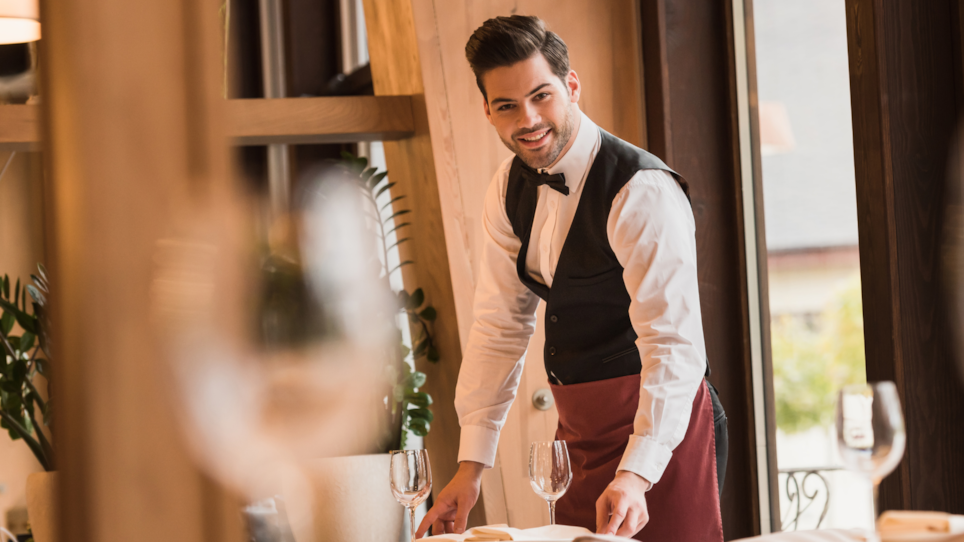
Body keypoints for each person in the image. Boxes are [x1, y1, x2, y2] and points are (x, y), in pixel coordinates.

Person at [416, 15, 726, 541]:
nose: (529, 119)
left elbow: (674, 346)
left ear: (572, 86)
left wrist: (636, 472)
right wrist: (471, 468)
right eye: (508, 105)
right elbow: (499, 326)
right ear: (487, 111)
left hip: (661, 426)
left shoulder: (641, 191)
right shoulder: (505, 189)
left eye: (542, 96)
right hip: (578, 433)